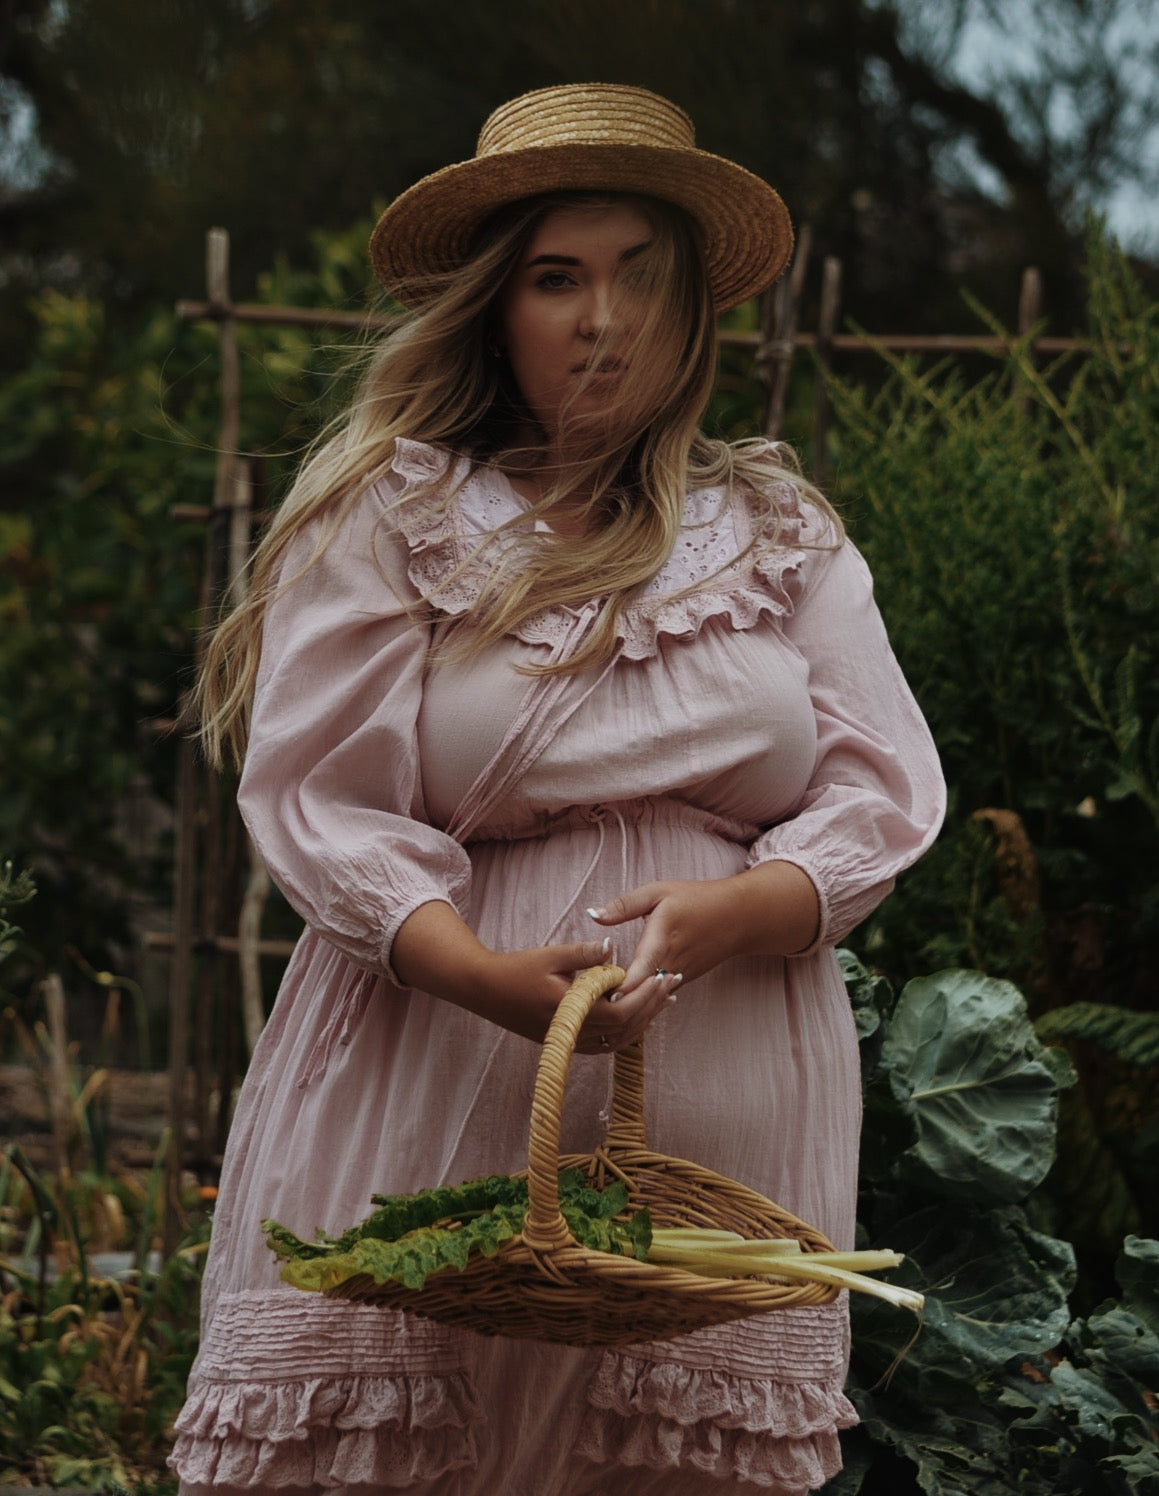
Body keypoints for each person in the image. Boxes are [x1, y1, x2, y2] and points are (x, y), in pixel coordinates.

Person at [172, 82, 945, 1496]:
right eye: (558, 279)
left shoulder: (782, 534)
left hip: (730, 1106)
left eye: (642, 277)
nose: (605, 320)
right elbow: (315, 799)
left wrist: (735, 912)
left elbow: (881, 789)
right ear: (495, 306)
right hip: (437, 1066)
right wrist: (476, 974)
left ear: (695, 311)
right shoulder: (392, 516)